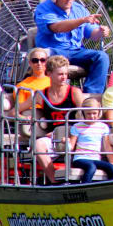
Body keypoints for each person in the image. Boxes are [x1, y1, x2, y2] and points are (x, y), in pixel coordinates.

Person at [34, 0, 110, 94]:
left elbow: (92, 34)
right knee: (41, 56)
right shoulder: (44, 9)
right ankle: (44, 93)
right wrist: (82, 20)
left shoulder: (79, 9)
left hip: (76, 52)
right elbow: (57, 27)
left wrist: (101, 31)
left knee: (102, 57)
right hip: (53, 51)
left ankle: (90, 97)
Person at [32, 55, 84, 183]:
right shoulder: (41, 94)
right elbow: (16, 110)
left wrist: (72, 135)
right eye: (60, 74)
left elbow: (86, 116)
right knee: (38, 145)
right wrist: (25, 116)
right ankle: (54, 180)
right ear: (49, 74)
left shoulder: (75, 92)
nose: (64, 77)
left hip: (74, 135)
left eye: (66, 74)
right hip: (53, 138)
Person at [68, 97, 113, 183]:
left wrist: (112, 163)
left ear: (99, 112)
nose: (92, 116)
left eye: (94, 113)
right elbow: (71, 146)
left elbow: (107, 147)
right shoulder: (77, 126)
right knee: (91, 167)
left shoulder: (103, 127)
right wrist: (66, 142)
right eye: (89, 114)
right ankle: (84, 187)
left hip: (95, 158)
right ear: (83, 113)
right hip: (80, 158)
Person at [9, 47, 50, 116]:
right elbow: (17, 111)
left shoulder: (54, 82)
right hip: (33, 118)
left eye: (42, 60)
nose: (39, 63)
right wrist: (24, 119)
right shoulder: (22, 86)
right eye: (35, 60)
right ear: (30, 63)